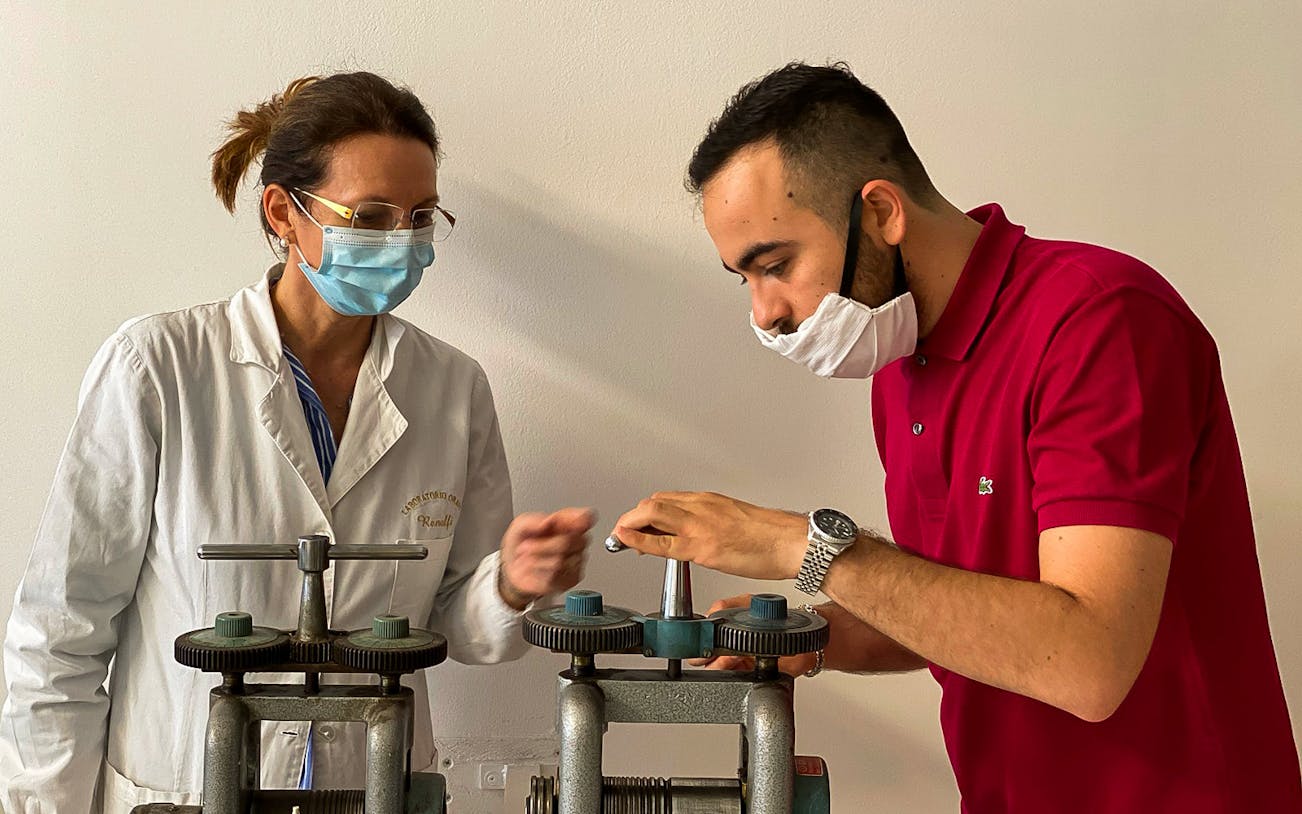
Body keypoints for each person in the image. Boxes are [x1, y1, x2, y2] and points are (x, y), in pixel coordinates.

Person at [612, 62, 1301, 812]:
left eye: (774, 266)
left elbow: (1087, 662)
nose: (765, 312)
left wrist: (802, 548)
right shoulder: (901, 366)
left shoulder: (1101, 322)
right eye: (742, 279)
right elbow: (968, 608)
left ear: (880, 213)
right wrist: (812, 636)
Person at [0, 72, 593, 814]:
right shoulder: (159, 366)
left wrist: (510, 583)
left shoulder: (452, 387)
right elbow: (62, 630)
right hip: (185, 790)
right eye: (372, 215)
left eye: (420, 217)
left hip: (373, 787)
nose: (402, 242)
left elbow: (459, 628)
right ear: (283, 212)